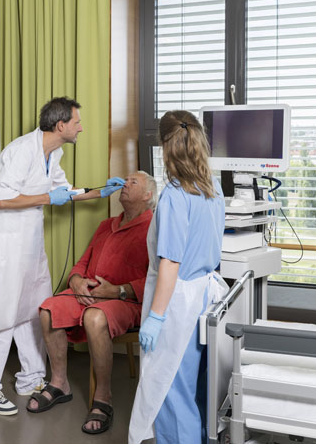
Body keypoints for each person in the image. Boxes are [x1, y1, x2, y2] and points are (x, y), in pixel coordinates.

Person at [0, 96, 125, 415]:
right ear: (61, 125)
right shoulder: (20, 151)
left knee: (33, 306)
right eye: (77, 122)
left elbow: (64, 192)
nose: (81, 127)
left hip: (29, 238)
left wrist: (99, 191)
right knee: (3, 310)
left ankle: (31, 377)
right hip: (5, 238)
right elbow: (2, 200)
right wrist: (47, 197)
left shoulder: (54, 152)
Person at [128, 110, 229, 444]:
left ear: (164, 145)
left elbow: (170, 263)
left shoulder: (174, 194)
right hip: (206, 296)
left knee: (170, 390)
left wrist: (155, 318)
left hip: (178, 303)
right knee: (196, 387)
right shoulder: (211, 186)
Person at [30, 172, 157, 434]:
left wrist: (119, 290)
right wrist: (76, 280)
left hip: (126, 301)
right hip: (88, 293)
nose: (125, 184)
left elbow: (157, 279)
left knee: (95, 317)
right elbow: (82, 263)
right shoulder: (105, 225)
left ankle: (103, 397)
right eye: (125, 180)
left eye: (133, 182)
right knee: (48, 309)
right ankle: (59, 384)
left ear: (148, 196)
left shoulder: (155, 228)